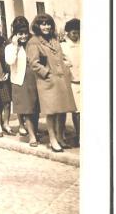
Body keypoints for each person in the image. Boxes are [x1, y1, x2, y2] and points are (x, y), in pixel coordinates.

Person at [26, 13, 77, 152]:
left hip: (61, 80)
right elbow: (34, 63)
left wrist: (66, 64)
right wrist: (47, 73)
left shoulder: (54, 39)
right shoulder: (34, 42)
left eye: (48, 24)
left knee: (62, 110)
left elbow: (61, 56)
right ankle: (53, 139)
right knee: (51, 112)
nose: (46, 27)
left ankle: (60, 137)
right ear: (37, 26)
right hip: (47, 82)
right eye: (43, 24)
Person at [5, 16, 39, 147]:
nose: (23, 36)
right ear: (15, 34)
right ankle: (32, 136)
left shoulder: (32, 44)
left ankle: (35, 131)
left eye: (25, 33)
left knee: (35, 108)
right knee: (27, 109)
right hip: (20, 81)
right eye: (20, 33)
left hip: (34, 79)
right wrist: (15, 46)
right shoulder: (10, 47)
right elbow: (10, 61)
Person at [61, 18, 80, 147]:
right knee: (73, 111)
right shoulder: (63, 46)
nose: (76, 35)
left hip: (82, 80)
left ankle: (81, 135)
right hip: (70, 82)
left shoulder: (83, 44)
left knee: (81, 111)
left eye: (78, 32)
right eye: (74, 32)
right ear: (67, 32)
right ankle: (64, 134)